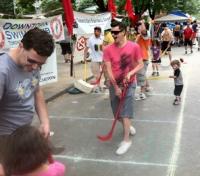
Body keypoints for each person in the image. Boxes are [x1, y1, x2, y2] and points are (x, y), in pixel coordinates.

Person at [0, 28, 55, 172]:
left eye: (40, 64)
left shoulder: (33, 64)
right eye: (32, 61)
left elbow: (36, 91)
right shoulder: (2, 71)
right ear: (20, 46)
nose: (35, 67)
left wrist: (45, 122)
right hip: (5, 140)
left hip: (25, 135)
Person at [103, 19, 143, 155]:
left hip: (130, 83)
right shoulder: (108, 49)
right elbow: (108, 69)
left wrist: (130, 73)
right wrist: (116, 87)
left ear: (124, 32)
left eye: (116, 32)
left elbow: (140, 64)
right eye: (111, 32)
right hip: (115, 84)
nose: (113, 35)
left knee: (125, 113)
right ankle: (128, 126)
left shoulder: (134, 47)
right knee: (117, 114)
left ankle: (126, 141)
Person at [135, 28, 151, 100]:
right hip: (139, 59)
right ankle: (147, 86)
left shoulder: (145, 36)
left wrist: (142, 24)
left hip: (143, 59)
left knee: (141, 76)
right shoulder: (138, 36)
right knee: (143, 74)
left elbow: (145, 33)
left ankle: (142, 94)